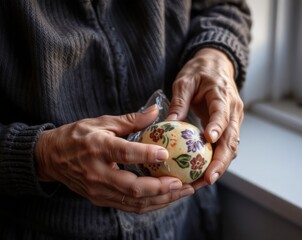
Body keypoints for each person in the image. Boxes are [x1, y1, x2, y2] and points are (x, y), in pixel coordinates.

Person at [0, 0, 251, 239]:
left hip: (184, 220)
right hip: (38, 224)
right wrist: (41, 154)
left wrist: (216, 56)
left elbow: (224, 6)